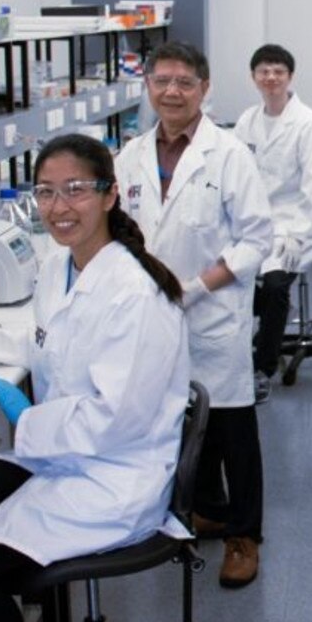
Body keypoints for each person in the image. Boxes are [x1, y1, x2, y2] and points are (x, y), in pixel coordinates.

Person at [0, 133, 191, 622]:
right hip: (61, 452)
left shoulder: (134, 295)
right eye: (46, 192)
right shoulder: (61, 267)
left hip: (111, 475)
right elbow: (41, 341)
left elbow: (116, 417)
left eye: (75, 189)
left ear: (109, 194)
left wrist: (29, 418)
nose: (59, 207)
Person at [115, 42, 273, 589]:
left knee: (231, 426)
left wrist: (197, 288)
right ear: (149, 87)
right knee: (179, 422)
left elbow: (257, 239)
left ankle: (243, 534)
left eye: (185, 82)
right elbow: (123, 232)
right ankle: (206, 509)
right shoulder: (130, 156)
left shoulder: (229, 156)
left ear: (205, 89)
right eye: (162, 81)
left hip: (213, 313)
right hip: (154, 313)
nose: (172, 91)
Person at [233, 44, 312, 401]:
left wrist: (298, 235)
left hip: (294, 224)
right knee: (229, 279)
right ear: (254, 77)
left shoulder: (308, 122)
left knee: (274, 286)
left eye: (278, 71)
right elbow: (237, 175)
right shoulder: (247, 121)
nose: (271, 77)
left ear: (290, 77)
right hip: (252, 221)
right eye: (263, 71)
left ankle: (263, 367)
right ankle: (238, 351)